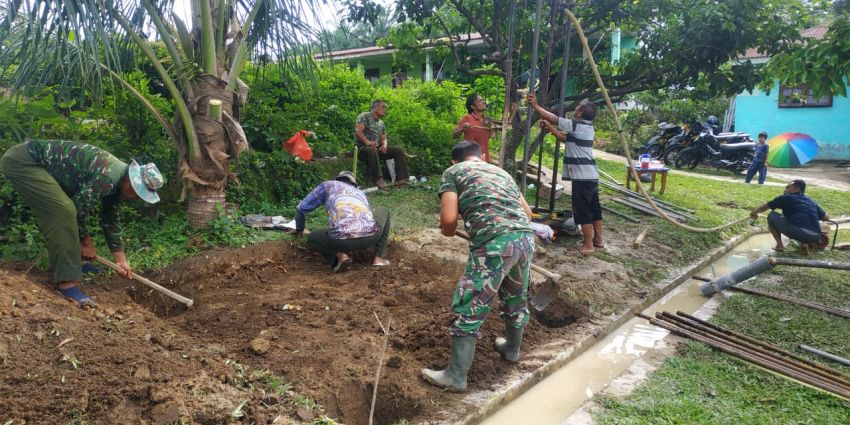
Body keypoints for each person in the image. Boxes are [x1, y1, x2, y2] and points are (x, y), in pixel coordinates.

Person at [421, 141, 535, 392]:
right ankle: (512, 350)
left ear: (455, 161)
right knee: (515, 299)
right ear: (481, 156)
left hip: (494, 245)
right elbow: (527, 214)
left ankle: (456, 376)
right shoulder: (500, 171)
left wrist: (448, 230)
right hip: (525, 239)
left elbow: (449, 221)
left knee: (469, 304)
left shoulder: (453, 173)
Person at [0, 139, 164, 308]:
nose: (135, 197)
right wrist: (86, 243)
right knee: (64, 210)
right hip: (24, 162)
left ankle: (76, 262)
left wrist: (121, 260)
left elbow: (110, 217)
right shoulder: (107, 177)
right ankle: (66, 283)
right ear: (131, 180)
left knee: (66, 209)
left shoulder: (118, 180)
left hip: (39, 165)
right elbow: (77, 211)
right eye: (137, 192)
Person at [528, 94, 604, 254]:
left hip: (582, 177)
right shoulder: (586, 126)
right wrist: (550, 129)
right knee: (594, 208)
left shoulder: (575, 124)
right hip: (591, 175)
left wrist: (535, 106)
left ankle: (588, 245)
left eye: (578, 105)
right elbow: (565, 138)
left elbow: (556, 118)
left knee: (583, 210)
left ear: (579, 113)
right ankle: (598, 240)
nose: (576, 106)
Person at [294, 171, 391, 272]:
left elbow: (301, 208)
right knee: (384, 210)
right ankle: (379, 258)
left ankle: (340, 256)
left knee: (312, 238)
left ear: (337, 180)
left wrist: (299, 229)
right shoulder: (360, 193)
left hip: (339, 241)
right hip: (370, 237)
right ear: (354, 184)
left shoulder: (328, 185)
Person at [750, 179, 830, 252]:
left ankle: (779, 245)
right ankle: (804, 244)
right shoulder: (811, 201)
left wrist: (755, 212)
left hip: (799, 232)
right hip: (815, 237)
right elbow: (826, 217)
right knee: (798, 220)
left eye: (788, 188)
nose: (785, 190)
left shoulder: (785, 198)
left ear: (797, 189)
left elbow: (766, 206)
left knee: (772, 215)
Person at [354, 100, 409, 189]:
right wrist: (367, 142)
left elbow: (384, 138)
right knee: (372, 149)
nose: (385, 110)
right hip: (362, 148)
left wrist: (384, 145)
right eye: (383, 107)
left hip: (376, 149)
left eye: (386, 108)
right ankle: (378, 179)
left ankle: (401, 180)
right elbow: (358, 131)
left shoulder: (381, 123)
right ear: (376, 107)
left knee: (398, 151)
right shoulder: (364, 116)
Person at [453, 93, 493, 162]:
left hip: (484, 159)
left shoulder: (487, 121)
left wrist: (492, 129)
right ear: (473, 106)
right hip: (470, 160)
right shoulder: (467, 118)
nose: (484, 102)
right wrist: (463, 128)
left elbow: (487, 137)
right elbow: (454, 135)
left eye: (483, 100)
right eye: (480, 101)